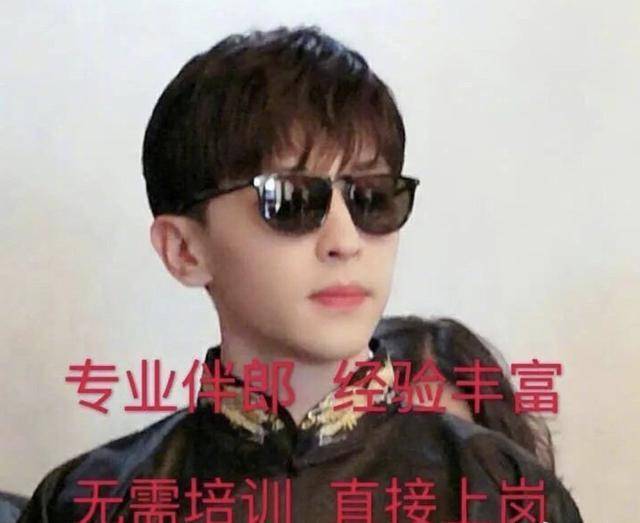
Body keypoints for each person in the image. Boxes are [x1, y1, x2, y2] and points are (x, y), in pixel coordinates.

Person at [18, 26, 582, 522]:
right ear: (184, 250)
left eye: (371, 197)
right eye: (290, 201)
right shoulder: (90, 501)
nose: (345, 241)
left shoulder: (502, 493)